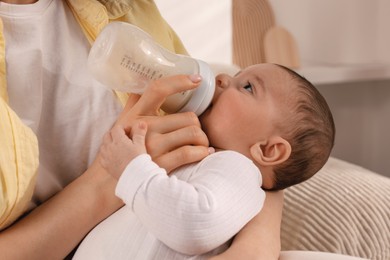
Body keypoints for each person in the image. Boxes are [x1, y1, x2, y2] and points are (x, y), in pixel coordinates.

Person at [0, 1, 283, 259]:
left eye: (246, 85)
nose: (222, 78)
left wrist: (258, 243)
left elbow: (258, 158)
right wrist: (112, 178)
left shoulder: (128, 8)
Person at [73, 63, 335, 259]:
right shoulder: (206, 158)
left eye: (247, 87)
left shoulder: (238, 168)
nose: (222, 78)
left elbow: (195, 223)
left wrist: (132, 169)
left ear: (268, 150)